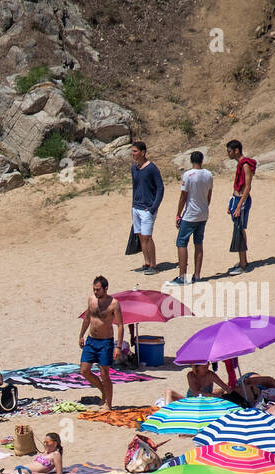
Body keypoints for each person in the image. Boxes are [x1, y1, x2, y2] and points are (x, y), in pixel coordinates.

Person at [78, 276, 126, 411]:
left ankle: (108, 404)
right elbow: (87, 318)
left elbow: (121, 325)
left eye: (98, 289)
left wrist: (118, 347)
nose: (95, 292)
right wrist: (81, 335)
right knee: (84, 370)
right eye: (94, 289)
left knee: (105, 374)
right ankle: (103, 391)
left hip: (106, 342)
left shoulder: (114, 303)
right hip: (91, 340)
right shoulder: (91, 300)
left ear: (106, 288)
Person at [170, 151, 212, 284]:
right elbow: (209, 195)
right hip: (203, 213)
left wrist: (178, 213)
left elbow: (183, 196)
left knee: (181, 243)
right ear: (202, 160)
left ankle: (182, 276)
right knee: (198, 243)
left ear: (191, 160)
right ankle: (197, 275)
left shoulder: (188, 175)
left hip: (190, 215)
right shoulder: (208, 175)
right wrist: (205, 207)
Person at [130, 141, 164, 273]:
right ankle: (147, 262)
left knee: (147, 237)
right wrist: (133, 204)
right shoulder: (134, 168)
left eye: (135, 151)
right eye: (132, 151)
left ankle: (154, 265)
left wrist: (153, 207)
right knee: (140, 236)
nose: (133, 154)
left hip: (147, 209)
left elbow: (160, 188)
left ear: (143, 152)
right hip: (136, 207)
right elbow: (135, 187)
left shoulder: (151, 168)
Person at [225, 139, 255, 274]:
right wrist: (231, 202)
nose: (228, 154)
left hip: (242, 201)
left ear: (236, 151)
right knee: (239, 229)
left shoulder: (245, 165)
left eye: (229, 151)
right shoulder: (240, 164)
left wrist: (238, 206)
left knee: (239, 230)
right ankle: (243, 261)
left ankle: (243, 265)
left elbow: (247, 187)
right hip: (236, 199)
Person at [163, 363, 228, 404]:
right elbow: (195, 393)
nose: (207, 367)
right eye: (204, 367)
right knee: (169, 391)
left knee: (222, 392)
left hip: (204, 403)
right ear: (197, 367)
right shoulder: (191, 375)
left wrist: (235, 396)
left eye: (207, 365)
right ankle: (166, 410)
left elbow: (225, 387)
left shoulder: (210, 375)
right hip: (189, 401)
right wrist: (212, 395)